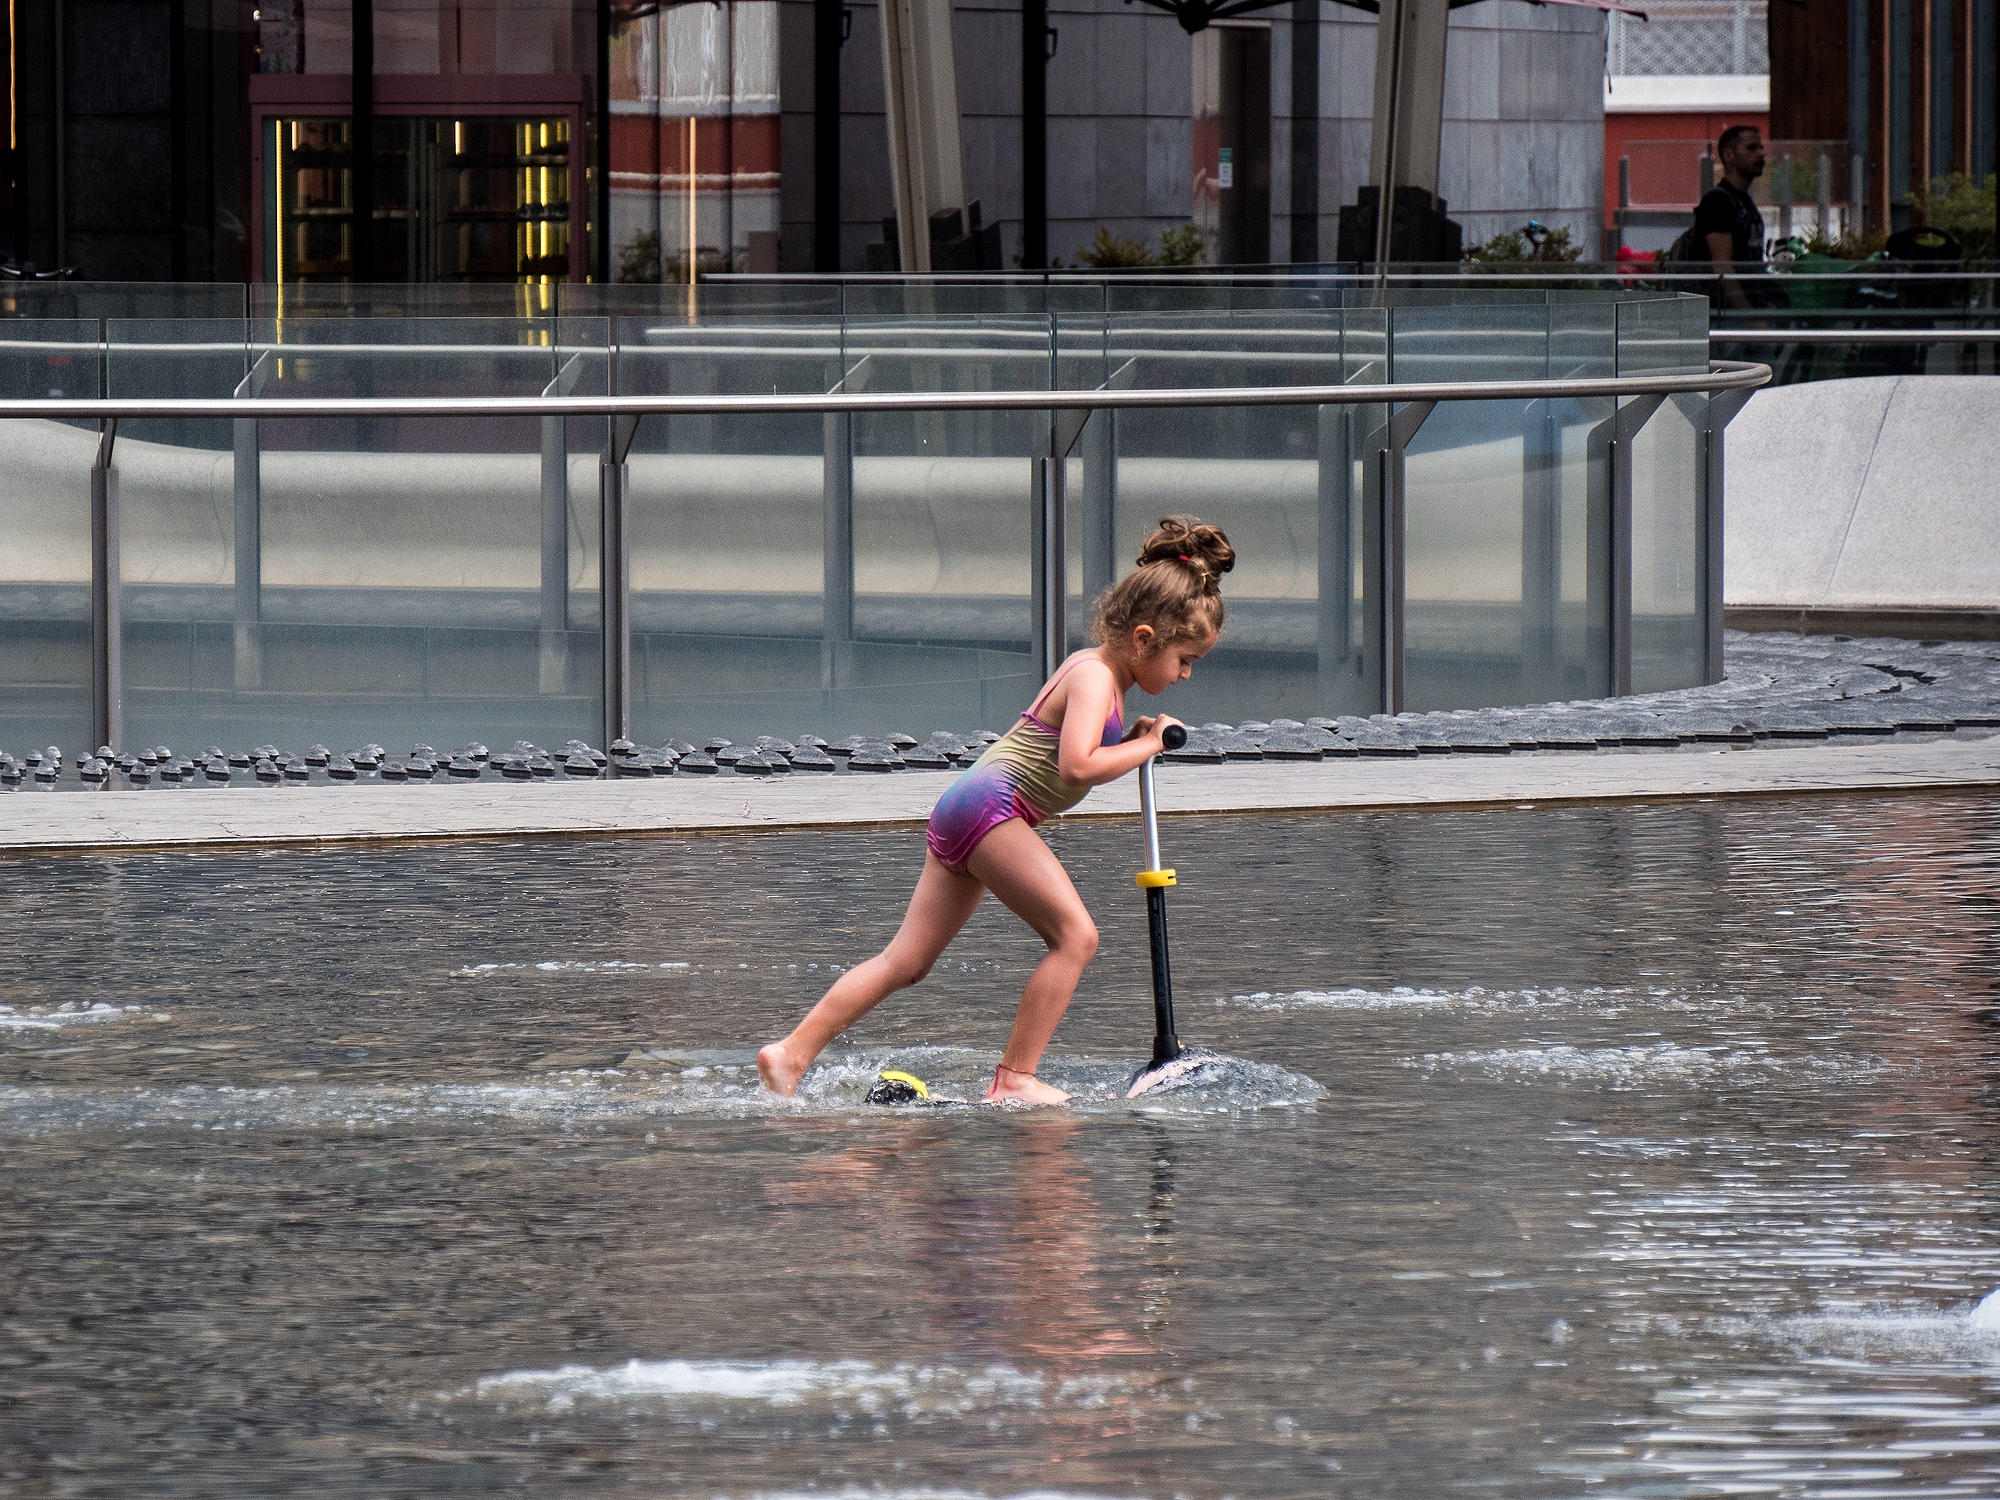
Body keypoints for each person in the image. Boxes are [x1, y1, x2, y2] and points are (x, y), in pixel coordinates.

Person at [757, 516, 1235, 1107]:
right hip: (991, 807)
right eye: (1184, 660)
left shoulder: (1098, 673)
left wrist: (1130, 739)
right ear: (1143, 638)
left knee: (905, 961)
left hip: (968, 805)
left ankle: (791, 1054)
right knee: (1075, 937)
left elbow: (1076, 751)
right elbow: (1076, 768)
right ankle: (1015, 1080)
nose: (1185, 675)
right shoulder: (1092, 678)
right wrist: (1150, 744)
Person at [1693, 124, 1787, 315]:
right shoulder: (1718, 201)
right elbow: (1722, 264)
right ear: (1729, 156)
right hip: (1727, 315)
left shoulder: (1744, 201)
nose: (1761, 154)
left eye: (1761, 147)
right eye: (1752, 148)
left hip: (1751, 310)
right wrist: (1748, 318)